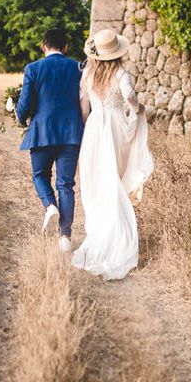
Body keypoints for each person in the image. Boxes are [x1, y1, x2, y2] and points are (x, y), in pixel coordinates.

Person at [72, 28, 154, 280]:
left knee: (97, 182)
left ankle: (100, 232)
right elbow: (129, 97)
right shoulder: (122, 73)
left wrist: (88, 128)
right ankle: (115, 237)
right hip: (116, 128)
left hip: (96, 129)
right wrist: (139, 109)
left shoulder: (87, 74)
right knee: (113, 182)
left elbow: (84, 108)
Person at [15, 28, 84, 252]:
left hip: (42, 132)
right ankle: (65, 235)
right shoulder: (77, 68)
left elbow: (24, 106)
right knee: (66, 184)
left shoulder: (33, 68)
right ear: (65, 48)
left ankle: (50, 206)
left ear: (44, 47)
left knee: (39, 175)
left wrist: (17, 114)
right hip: (71, 133)